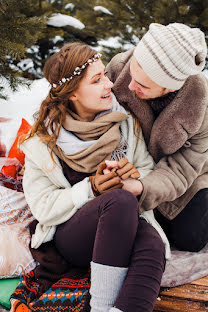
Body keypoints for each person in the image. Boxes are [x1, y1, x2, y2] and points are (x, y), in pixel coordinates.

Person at [21, 42, 170, 312]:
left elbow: (147, 169)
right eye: (97, 79)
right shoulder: (43, 141)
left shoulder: (124, 122)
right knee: (119, 201)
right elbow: (43, 207)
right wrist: (90, 188)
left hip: (125, 227)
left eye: (106, 75)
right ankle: (101, 306)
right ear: (72, 93)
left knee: (152, 243)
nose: (110, 85)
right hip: (73, 238)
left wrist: (135, 179)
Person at [106, 22, 208, 253]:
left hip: (187, 175)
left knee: (188, 240)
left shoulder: (200, 108)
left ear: (170, 88)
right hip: (131, 164)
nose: (130, 86)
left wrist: (142, 187)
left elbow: (181, 169)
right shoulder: (119, 67)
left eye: (142, 85)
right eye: (133, 72)